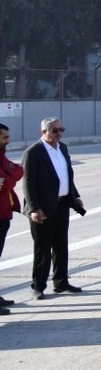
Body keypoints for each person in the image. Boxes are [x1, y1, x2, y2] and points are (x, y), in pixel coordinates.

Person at [22, 117, 86, 300]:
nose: (59, 134)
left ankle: (61, 282)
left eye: (61, 129)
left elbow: (66, 176)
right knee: (42, 249)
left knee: (60, 246)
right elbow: (27, 184)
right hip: (42, 208)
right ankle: (38, 285)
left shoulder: (62, 148)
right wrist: (34, 208)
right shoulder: (33, 152)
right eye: (54, 130)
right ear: (44, 132)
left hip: (62, 203)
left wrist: (75, 196)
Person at [0, 123, 22, 314]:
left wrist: (9, 177)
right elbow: (4, 184)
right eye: (5, 137)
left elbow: (17, 170)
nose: (8, 140)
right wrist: (9, 178)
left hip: (4, 213)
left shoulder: (1, 156)